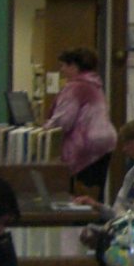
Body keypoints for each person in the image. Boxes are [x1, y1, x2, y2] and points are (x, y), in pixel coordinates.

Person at [73, 119, 134, 245]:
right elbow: (119, 206)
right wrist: (98, 207)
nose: (124, 149)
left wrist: (118, 217)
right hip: (123, 228)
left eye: (128, 143)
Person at [45, 47, 117, 197]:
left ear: (74, 66)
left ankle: (82, 220)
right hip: (104, 144)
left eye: (64, 65)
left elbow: (64, 121)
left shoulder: (75, 87)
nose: (62, 70)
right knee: (96, 193)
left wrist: (43, 129)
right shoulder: (95, 85)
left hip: (85, 146)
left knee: (81, 195)